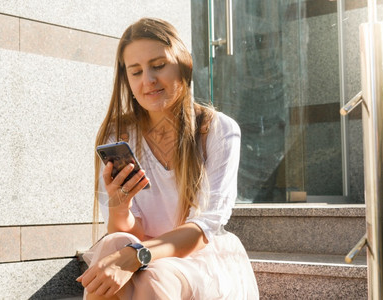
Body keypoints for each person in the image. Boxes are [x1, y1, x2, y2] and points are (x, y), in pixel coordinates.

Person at [77, 18, 259, 300]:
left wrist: (137, 255)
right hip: (139, 251)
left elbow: (202, 229)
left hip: (202, 258)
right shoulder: (117, 135)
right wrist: (120, 207)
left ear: (183, 63)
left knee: (154, 277)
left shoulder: (218, 130)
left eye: (158, 66)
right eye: (135, 72)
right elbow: (128, 233)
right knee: (115, 241)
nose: (148, 80)